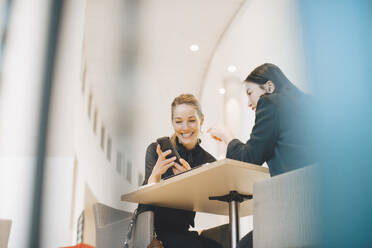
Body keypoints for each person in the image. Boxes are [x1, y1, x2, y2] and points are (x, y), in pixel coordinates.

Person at [208, 63, 315, 247]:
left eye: (250, 93)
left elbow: (249, 157)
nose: (249, 103)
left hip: (294, 206)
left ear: (269, 87)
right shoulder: (308, 103)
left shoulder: (270, 102)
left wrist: (227, 136)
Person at [138, 94, 223, 248]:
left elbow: (211, 202)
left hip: (181, 232)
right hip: (154, 232)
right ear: (172, 122)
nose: (185, 128)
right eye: (178, 121)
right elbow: (144, 202)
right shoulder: (156, 151)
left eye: (191, 120)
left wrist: (191, 182)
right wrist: (155, 176)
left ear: (201, 120)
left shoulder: (209, 162)